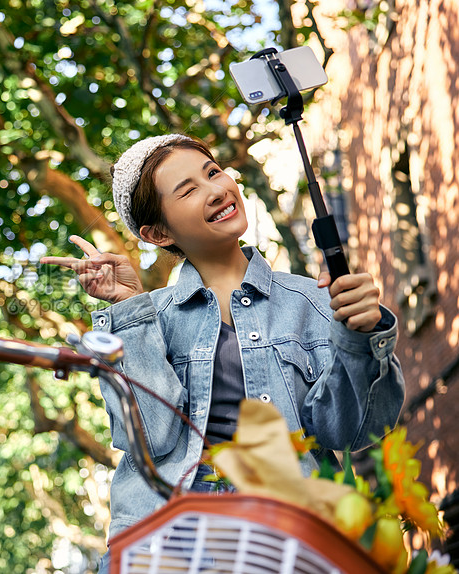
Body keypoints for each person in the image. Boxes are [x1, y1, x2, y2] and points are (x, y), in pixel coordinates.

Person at [40, 134, 405, 573]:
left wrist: (363, 337)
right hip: (169, 540)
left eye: (212, 172)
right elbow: (152, 439)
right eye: (189, 189)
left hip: (286, 536)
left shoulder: (313, 302)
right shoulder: (143, 316)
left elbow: (355, 430)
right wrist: (128, 309)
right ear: (157, 233)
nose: (216, 190)